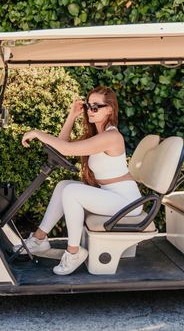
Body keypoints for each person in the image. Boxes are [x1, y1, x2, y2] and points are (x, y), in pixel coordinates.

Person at [20, 86, 142, 275]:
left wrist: (37, 133)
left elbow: (66, 150)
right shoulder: (98, 134)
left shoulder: (111, 136)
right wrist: (71, 116)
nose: (90, 110)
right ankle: (38, 240)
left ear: (109, 109)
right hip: (111, 195)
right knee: (64, 186)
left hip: (127, 201)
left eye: (96, 107)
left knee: (72, 192)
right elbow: (62, 145)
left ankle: (74, 252)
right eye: (88, 106)